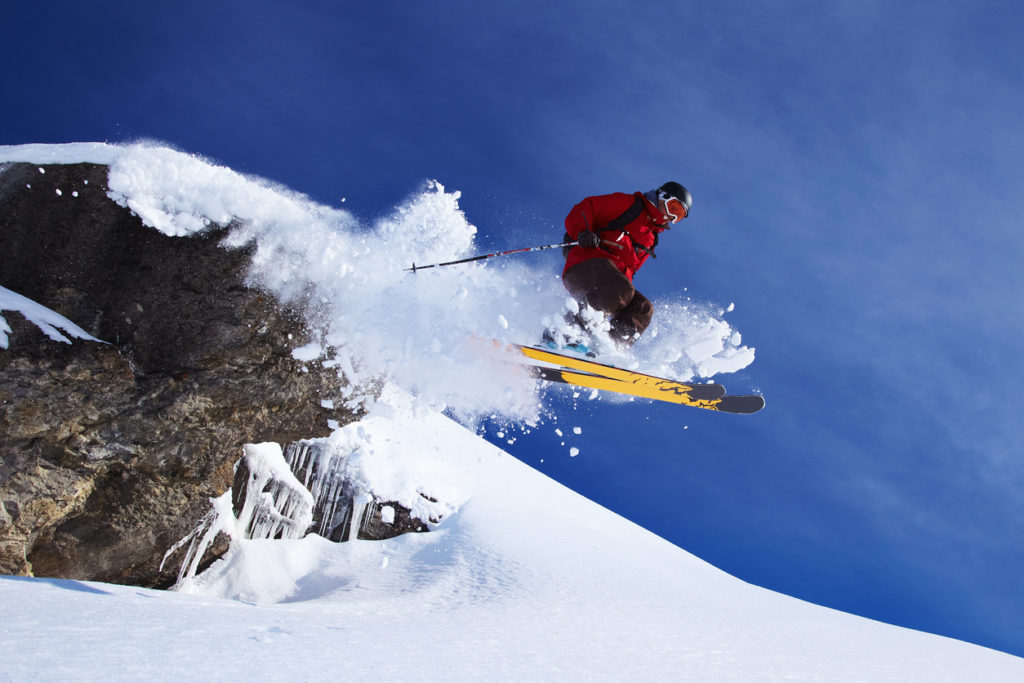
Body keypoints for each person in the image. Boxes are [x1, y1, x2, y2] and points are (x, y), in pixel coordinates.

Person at [554, 181, 692, 348]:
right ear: (662, 197)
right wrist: (582, 232)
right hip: (586, 263)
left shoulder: (651, 239)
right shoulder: (630, 205)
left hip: (613, 284)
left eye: (678, 216)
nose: (671, 217)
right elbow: (585, 207)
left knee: (642, 307)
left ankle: (608, 348)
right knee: (622, 287)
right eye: (674, 208)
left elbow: (630, 272)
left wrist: (624, 299)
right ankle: (564, 335)